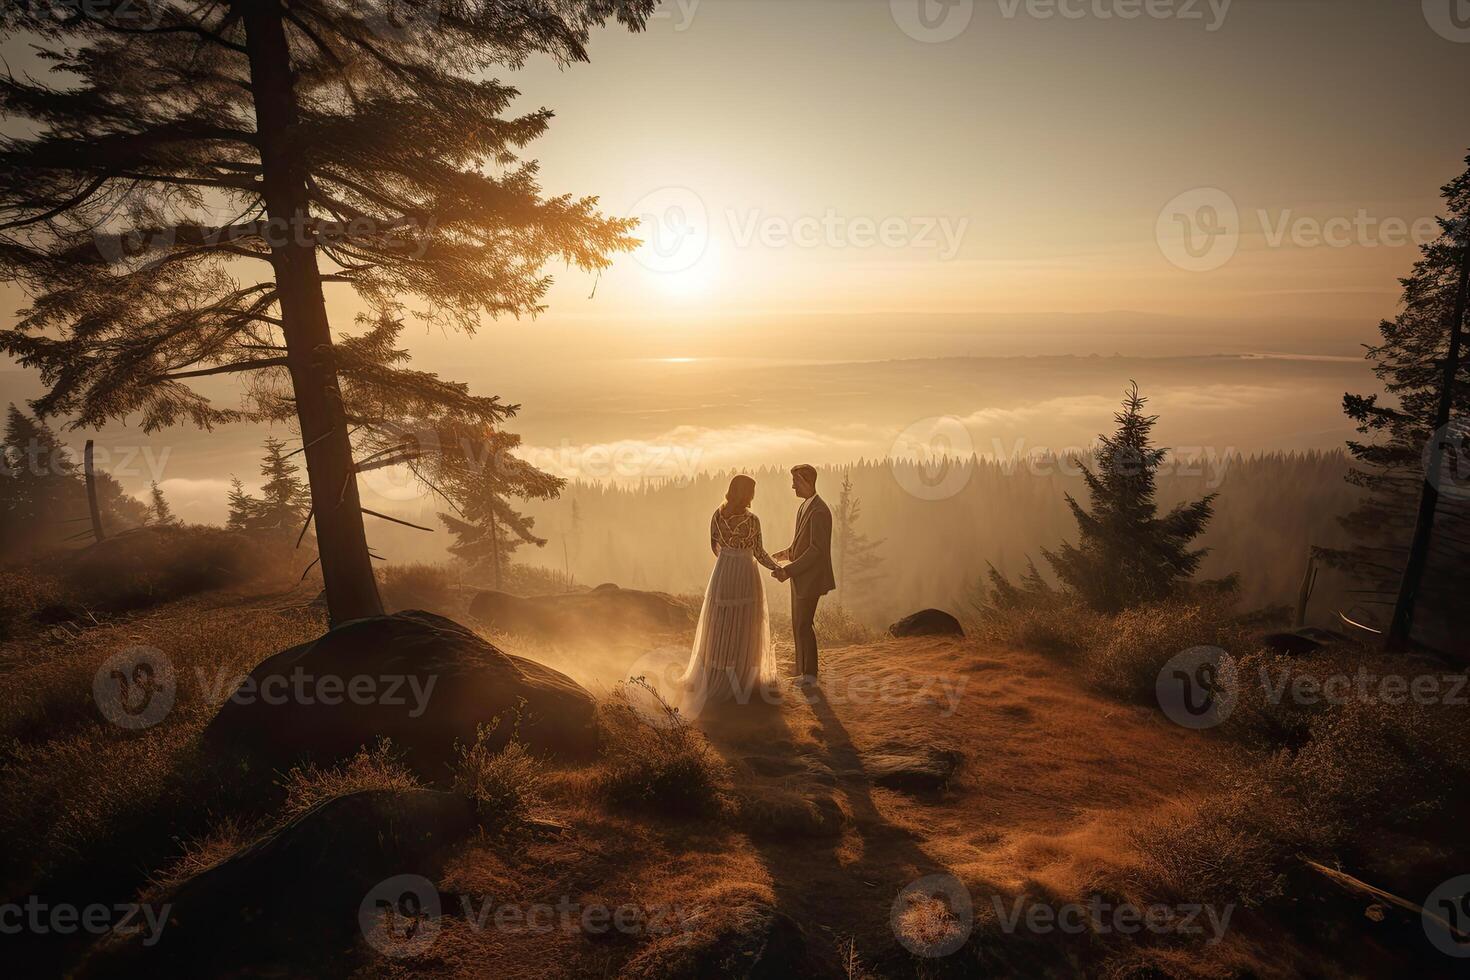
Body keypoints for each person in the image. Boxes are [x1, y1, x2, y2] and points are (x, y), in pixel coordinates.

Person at [678, 474, 780, 715]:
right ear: (745, 493)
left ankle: (715, 672)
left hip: (723, 572)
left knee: (721, 621)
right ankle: (742, 676)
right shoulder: (752, 520)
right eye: (752, 491)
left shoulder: (717, 515)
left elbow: (714, 545)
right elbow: (759, 551)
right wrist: (778, 568)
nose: (754, 496)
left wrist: (728, 559)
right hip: (745, 573)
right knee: (745, 622)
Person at [771, 464, 835, 683]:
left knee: (804, 624)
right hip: (800, 577)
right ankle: (801, 670)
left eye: (795, 481)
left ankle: (809, 674)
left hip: (810, 578)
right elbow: (802, 542)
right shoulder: (804, 507)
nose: (792, 486)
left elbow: (817, 550)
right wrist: (786, 553)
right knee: (798, 623)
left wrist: (788, 570)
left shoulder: (820, 511)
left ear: (807, 482)